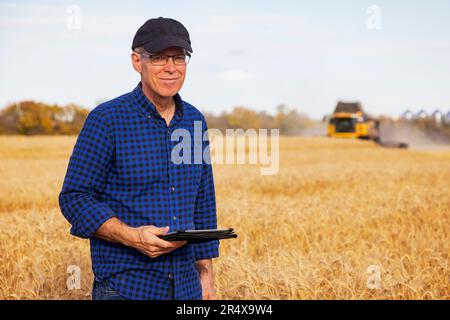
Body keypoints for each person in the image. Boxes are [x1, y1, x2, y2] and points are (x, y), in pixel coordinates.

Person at [58, 17, 219, 300]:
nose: (171, 68)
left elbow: (203, 199)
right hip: (127, 287)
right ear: (137, 62)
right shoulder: (107, 119)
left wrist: (205, 273)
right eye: (158, 58)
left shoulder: (195, 120)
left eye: (179, 57)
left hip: (186, 288)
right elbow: (75, 197)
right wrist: (132, 236)